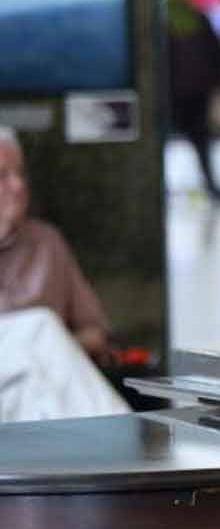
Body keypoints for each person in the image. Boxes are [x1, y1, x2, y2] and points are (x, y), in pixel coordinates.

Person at [0, 127, 126, 422]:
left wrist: (52, 349)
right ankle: (125, 440)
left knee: (30, 391)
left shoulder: (46, 242)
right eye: (2, 176)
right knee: (40, 326)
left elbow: (97, 334)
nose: (17, 185)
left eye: (20, 174)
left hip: (25, 392)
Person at [163, 0, 220, 199]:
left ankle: (209, 185)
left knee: (197, 140)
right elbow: (219, 51)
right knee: (198, 140)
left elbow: (218, 51)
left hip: (184, 91)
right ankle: (209, 185)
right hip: (185, 91)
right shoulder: (182, 19)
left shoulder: (190, 19)